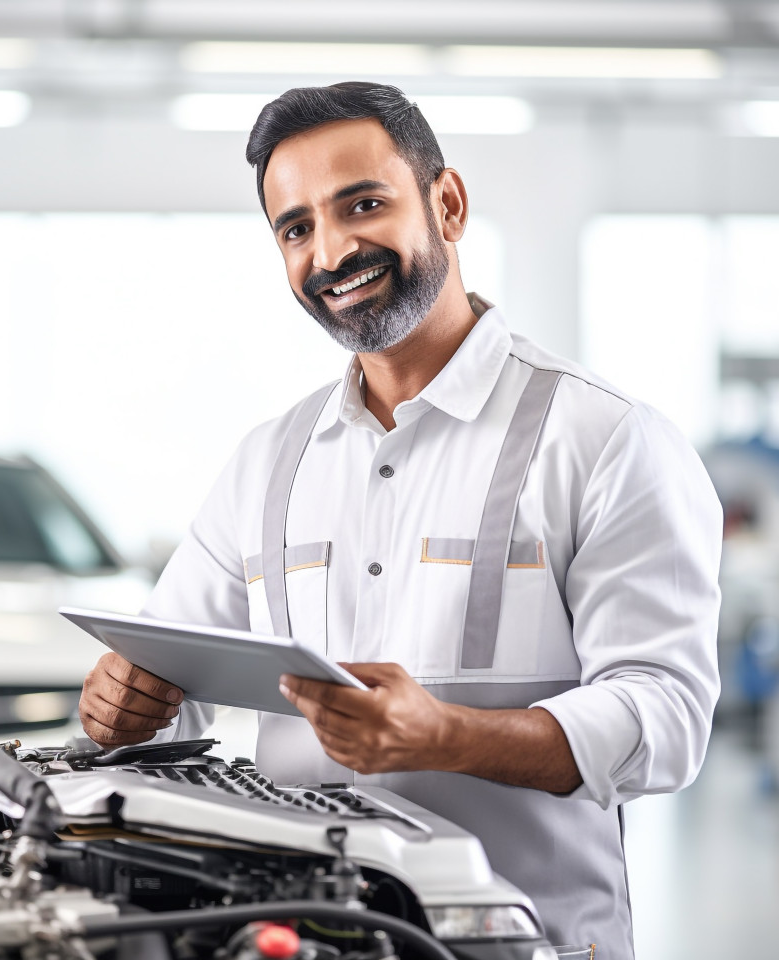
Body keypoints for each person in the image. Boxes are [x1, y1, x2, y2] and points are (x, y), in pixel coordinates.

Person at [79, 82, 722, 956]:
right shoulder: (269, 460)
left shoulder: (606, 438)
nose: (332, 250)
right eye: (296, 227)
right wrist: (128, 699)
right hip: (296, 937)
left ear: (446, 204)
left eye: (364, 204)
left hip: (521, 941)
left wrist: (449, 736)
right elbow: (166, 673)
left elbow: (667, 719)